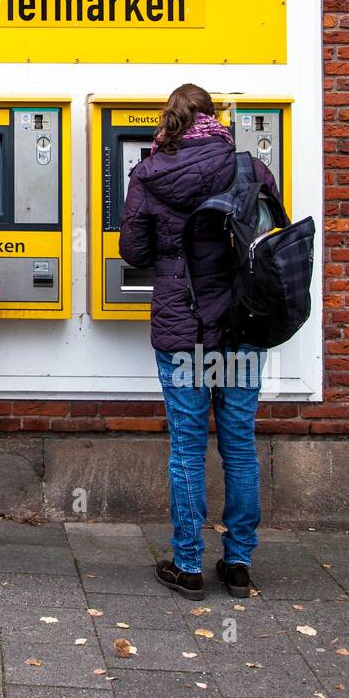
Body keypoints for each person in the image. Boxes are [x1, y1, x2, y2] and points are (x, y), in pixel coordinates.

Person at [119, 84, 281, 601]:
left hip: (184, 329)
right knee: (238, 444)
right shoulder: (250, 169)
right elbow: (270, 238)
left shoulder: (149, 172)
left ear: (170, 121)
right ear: (215, 119)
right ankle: (237, 564)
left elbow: (133, 250)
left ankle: (187, 565)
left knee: (187, 447)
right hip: (240, 327)